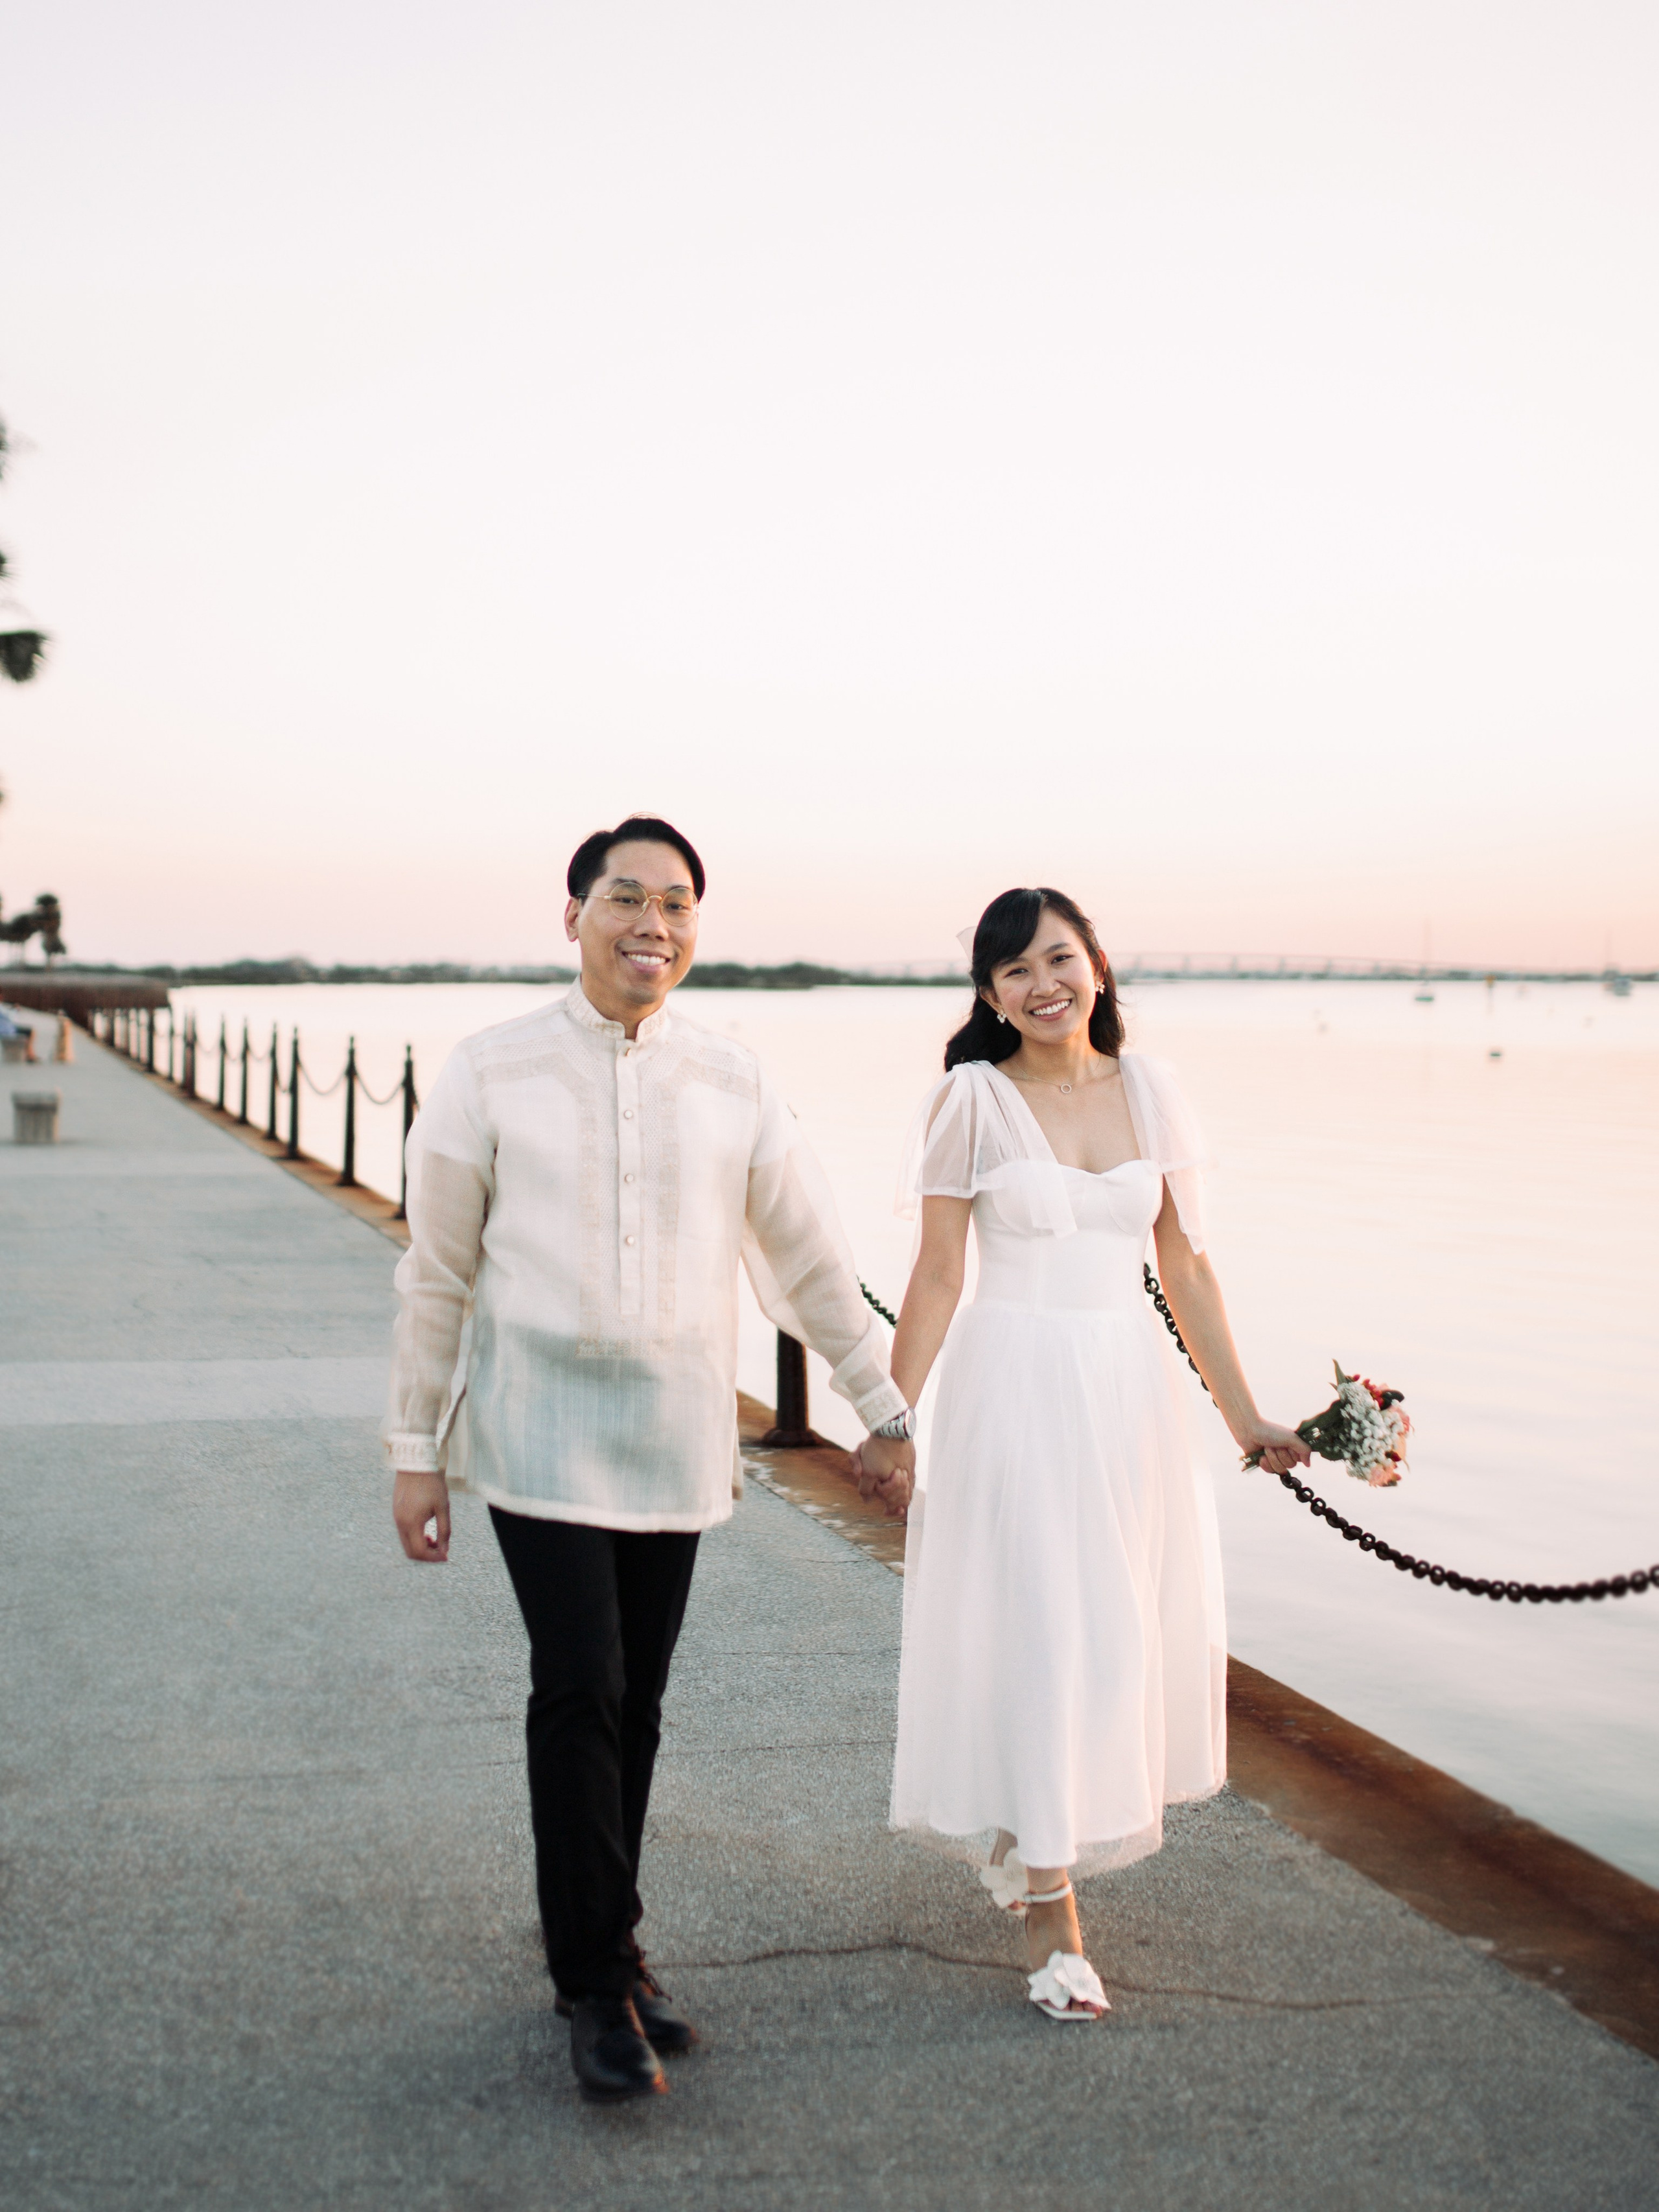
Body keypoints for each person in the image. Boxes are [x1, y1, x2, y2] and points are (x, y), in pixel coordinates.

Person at [384, 816, 916, 2101]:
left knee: (640, 1700)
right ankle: (590, 1989)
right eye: (626, 898)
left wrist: (881, 1408)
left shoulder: (731, 1077)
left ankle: (612, 1942)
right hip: (535, 1429)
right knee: (579, 1684)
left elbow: (805, 1261)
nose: (653, 925)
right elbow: (437, 1272)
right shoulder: (489, 1070)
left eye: (677, 905)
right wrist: (414, 1449)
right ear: (570, 914)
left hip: (675, 1438)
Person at [857, 887, 1308, 2021]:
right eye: (1014, 970)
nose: (1041, 983)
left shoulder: (1153, 1092)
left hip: (1127, 1396)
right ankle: (1054, 1918)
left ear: (1097, 965)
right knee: (1043, 1631)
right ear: (988, 993)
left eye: (1058, 958)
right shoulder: (970, 1100)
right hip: (1012, 1392)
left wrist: (1244, 1415)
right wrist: (890, 1412)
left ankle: (1035, 1829)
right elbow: (939, 1275)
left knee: (1112, 1639)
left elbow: (1188, 1269)